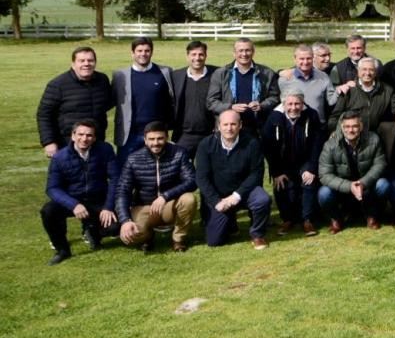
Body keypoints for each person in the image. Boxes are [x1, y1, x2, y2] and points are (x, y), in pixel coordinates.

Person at [42, 120, 120, 264]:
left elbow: (116, 178)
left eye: (89, 135)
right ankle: (62, 250)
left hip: (98, 200)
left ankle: (93, 231)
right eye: (81, 134)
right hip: (73, 200)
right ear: (73, 136)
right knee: (48, 211)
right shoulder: (60, 157)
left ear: (95, 138)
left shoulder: (105, 150)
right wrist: (73, 204)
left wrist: (108, 207)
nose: (84, 139)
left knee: (115, 228)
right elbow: (52, 188)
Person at [116, 122, 197, 252]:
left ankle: (178, 239)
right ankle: (147, 236)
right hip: (144, 207)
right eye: (151, 139)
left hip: (169, 205)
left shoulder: (179, 153)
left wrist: (165, 196)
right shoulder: (133, 159)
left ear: (167, 137)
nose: (156, 143)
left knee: (189, 199)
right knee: (129, 238)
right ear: (145, 140)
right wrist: (125, 220)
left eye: (160, 138)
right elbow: (122, 191)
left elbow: (192, 180)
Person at [197, 110, 272, 249]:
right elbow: (201, 178)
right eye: (225, 124)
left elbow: (256, 173)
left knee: (262, 199)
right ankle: (230, 222)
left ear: (240, 125)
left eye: (233, 124)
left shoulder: (252, 143)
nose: (229, 128)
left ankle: (258, 235)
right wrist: (216, 201)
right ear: (219, 126)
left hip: (243, 192)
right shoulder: (205, 145)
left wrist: (236, 196)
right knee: (214, 241)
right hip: (219, 197)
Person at [261, 90, 325, 237]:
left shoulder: (312, 115)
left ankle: (307, 220)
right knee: (282, 185)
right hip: (283, 162)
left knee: (308, 183)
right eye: (290, 104)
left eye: (297, 104)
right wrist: (276, 172)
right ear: (284, 104)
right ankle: (287, 220)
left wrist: (312, 168)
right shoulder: (273, 118)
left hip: (305, 159)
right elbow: (268, 147)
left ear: (303, 104)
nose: (294, 107)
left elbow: (317, 143)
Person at [318, 110, 391, 232]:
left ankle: (372, 216)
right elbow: (324, 175)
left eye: (355, 126)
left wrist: (362, 183)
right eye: (347, 126)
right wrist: (349, 186)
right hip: (342, 190)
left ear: (361, 126)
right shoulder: (330, 145)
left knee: (383, 185)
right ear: (342, 127)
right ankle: (336, 219)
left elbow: (380, 164)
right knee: (324, 193)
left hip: (367, 187)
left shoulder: (373, 139)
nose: (351, 130)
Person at [37, 45, 114, 156]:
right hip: (67, 143)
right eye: (81, 61)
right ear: (73, 64)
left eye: (90, 60)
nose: (86, 64)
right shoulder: (58, 85)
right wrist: (49, 142)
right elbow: (44, 115)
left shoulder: (102, 80)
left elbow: (106, 103)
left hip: (97, 141)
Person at [112, 36, 174, 164]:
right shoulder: (120, 76)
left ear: (151, 52)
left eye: (147, 51)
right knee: (126, 172)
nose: (143, 54)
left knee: (156, 173)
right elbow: (110, 100)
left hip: (156, 134)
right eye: (139, 51)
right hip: (129, 135)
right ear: (132, 53)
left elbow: (172, 100)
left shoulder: (165, 72)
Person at [206, 37, 280, 134]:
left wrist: (262, 105)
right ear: (234, 53)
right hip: (229, 129)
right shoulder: (221, 74)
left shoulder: (267, 73)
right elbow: (211, 102)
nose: (244, 54)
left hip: (257, 129)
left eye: (247, 50)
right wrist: (231, 107)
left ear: (253, 52)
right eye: (240, 51)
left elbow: (275, 97)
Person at [170, 40, 217, 156]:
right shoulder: (176, 76)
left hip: (210, 134)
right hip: (184, 135)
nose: (197, 58)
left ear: (206, 56)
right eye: (193, 54)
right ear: (187, 56)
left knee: (209, 171)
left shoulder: (217, 74)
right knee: (181, 171)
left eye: (201, 54)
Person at [328, 57, 394, 137]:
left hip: (375, 136)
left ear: (376, 72)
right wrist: (333, 131)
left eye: (371, 70)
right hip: (350, 135)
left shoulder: (387, 90)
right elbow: (335, 116)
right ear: (358, 71)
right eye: (364, 69)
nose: (367, 73)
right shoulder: (348, 90)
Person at [277, 43, 336, 122]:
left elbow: (331, 101)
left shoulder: (323, 77)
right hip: (293, 125)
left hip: (317, 125)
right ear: (295, 59)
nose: (305, 62)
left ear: (313, 58)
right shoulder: (284, 79)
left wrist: (339, 91)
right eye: (302, 59)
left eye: (308, 58)